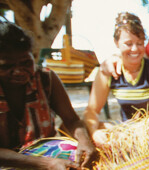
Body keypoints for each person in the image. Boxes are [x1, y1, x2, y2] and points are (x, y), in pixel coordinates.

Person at [0, 22, 97, 169]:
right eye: (7, 66)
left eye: (26, 63)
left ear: (33, 56)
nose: (19, 71)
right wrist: (45, 164)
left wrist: (84, 140)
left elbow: (71, 120)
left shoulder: (46, 79)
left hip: (45, 153)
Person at [83, 12, 149, 144]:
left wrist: (133, 130)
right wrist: (94, 133)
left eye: (140, 43)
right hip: (124, 130)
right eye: (128, 44)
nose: (135, 49)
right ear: (116, 42)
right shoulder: (108, 71)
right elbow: (92, 111)